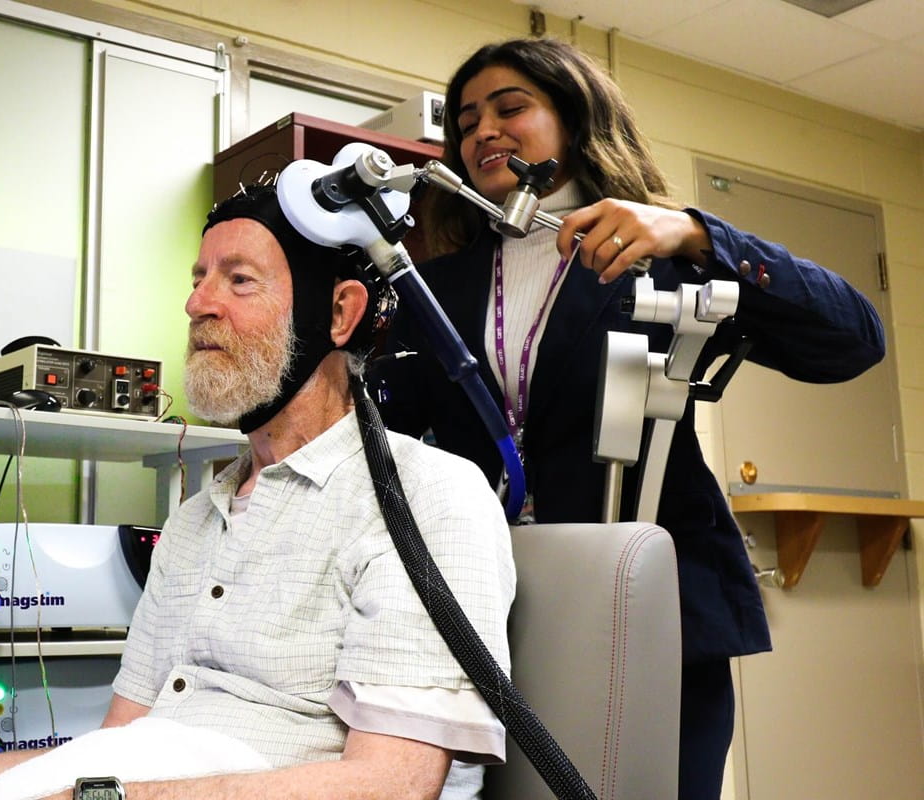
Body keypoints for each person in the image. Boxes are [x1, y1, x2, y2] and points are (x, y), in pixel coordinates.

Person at [369, 37, 885, 800]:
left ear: (577, 124)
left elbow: (853, 340)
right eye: (467, 120)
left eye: (512, 108)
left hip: (654, 608)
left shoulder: (663, 254)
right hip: (494, 607)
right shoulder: (433, 287)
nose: (483, 131)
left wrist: (700, 233)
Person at [0, 185, 516, 800]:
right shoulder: (193, 523)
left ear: (340, 314)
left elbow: (391, 786)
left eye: (238, 279)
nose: (197, 303)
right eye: (199, 278)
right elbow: (118, 744)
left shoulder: (428, 497)